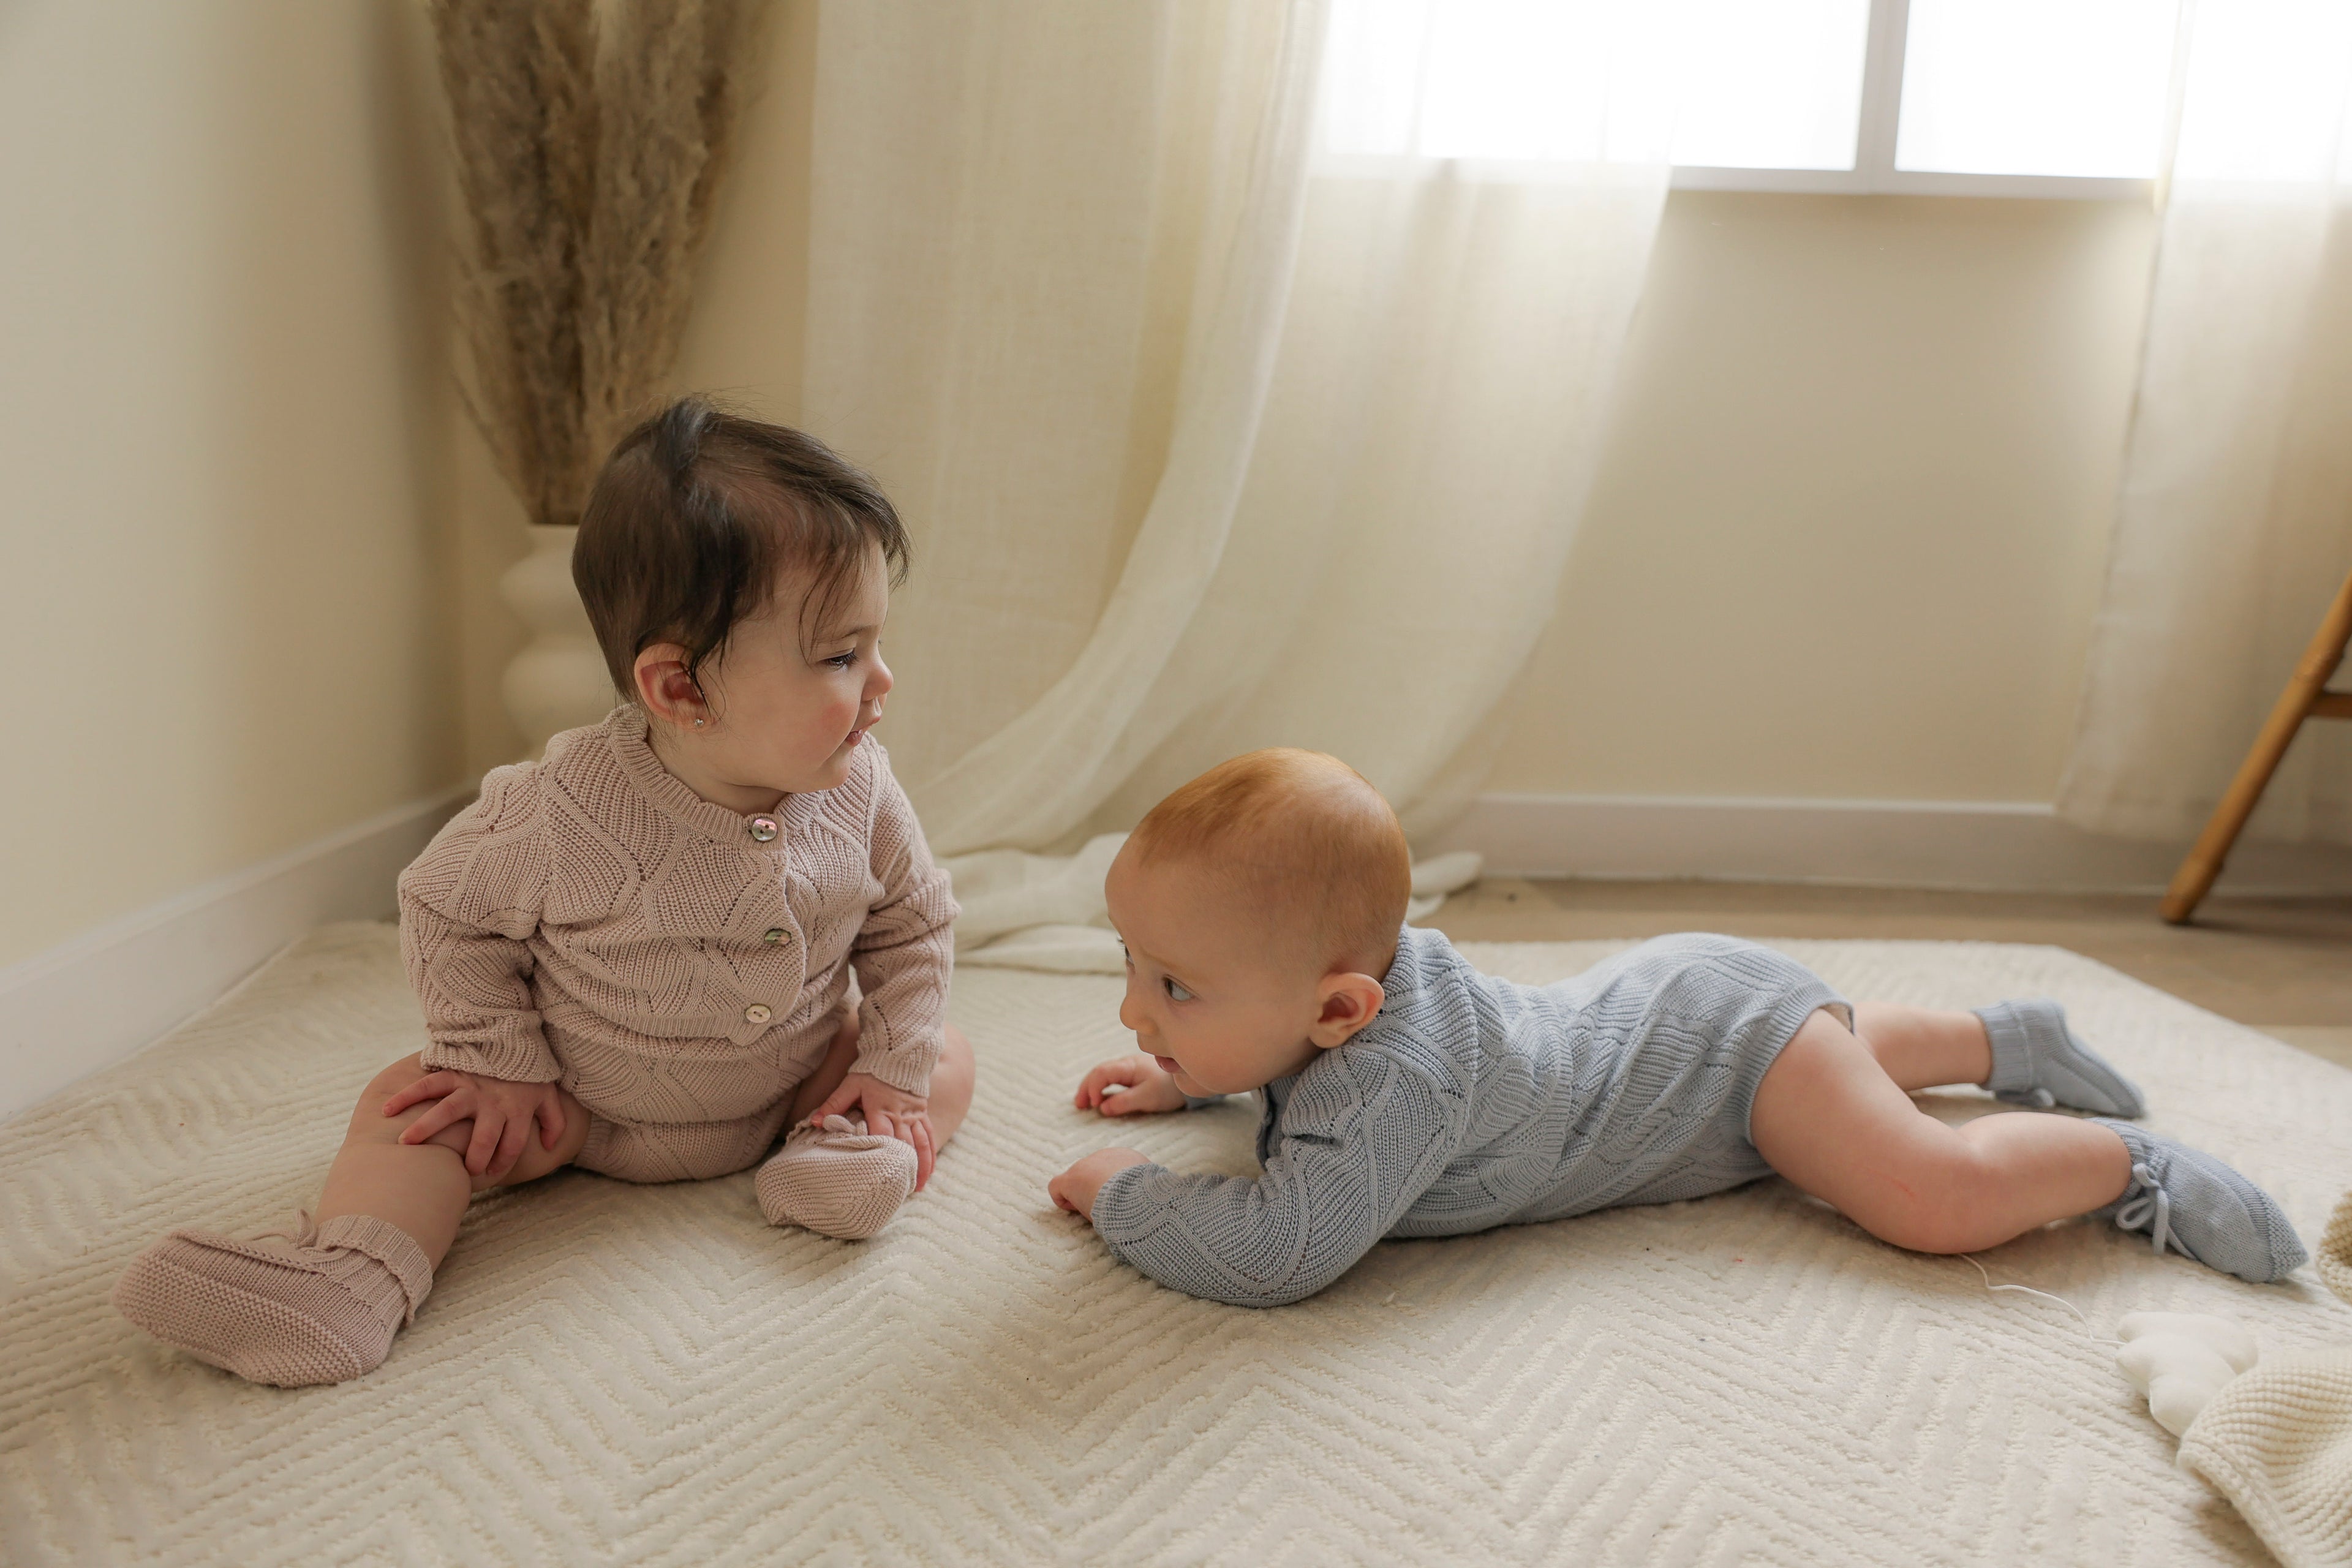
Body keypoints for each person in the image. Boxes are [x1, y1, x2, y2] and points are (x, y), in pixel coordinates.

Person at [116, 398, 973, 1385]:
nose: (882, 682)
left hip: (792, 1087)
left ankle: (846, 1154)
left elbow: (913, 925)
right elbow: (443, 905)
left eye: (874, 645)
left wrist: (891, 1071)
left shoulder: (864, 786)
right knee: (410, 1106)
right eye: (840, 656)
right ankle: (352, 1282)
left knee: (940, 1052)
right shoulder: (564, 810)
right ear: (682, 691)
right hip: (575, 1107)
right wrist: (500, 1063)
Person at [1049, 749, 2306, 1307]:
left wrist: (1128, 1193)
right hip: (1684, 1011)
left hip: (1724, 1059)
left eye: (1175, 989)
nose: (1132, 1005)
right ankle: (1996, 1035)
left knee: (1928, 1195)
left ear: (1341, 1009)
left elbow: (1283, 1251)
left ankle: (2125, 1161)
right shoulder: (1343, 996)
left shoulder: (1393, 1081)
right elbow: (1275, 1044)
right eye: (1137, 969)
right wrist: (1190, 1071)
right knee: (1828, 1054)